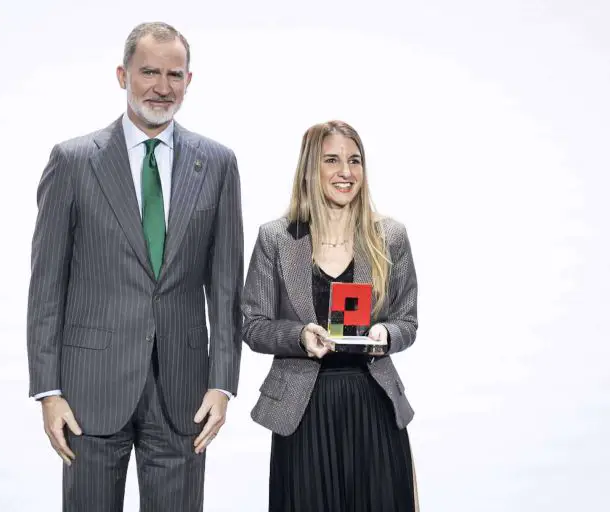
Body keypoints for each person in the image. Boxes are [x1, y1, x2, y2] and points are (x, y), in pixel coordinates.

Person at [26, 21, 244, 511]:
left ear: (189, 81)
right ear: (122, 75)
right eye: (149, 72)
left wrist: (222, 382)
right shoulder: (73, 161)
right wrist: (48, 391)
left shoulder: (218, 163)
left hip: (184, 391)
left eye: (174, 74)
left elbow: (227, 284)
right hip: (88, 390)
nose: (161, 87)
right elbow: (46, 286)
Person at [241, 120, 419, 511]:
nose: (346, 172)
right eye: (332, 160)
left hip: (372, 403)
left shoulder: (389, 236)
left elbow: (407, 321)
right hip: (302, 409)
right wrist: (299, 336)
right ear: (310, 168)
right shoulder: (276, 238)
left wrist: (386, 334)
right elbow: (253, 325)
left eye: (355, 160)